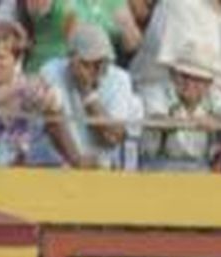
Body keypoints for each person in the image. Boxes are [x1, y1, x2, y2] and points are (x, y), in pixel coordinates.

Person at [0, 18, 80, 166]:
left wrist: (48, 98)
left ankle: (76, 160)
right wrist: (19, 88)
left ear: (17, 59)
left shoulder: (26, 83)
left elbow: (49, 100)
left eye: (1, 57)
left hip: (16, 164)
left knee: (54, 111)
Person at [33, 20, 141, 168]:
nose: (97, 69)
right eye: (89, 62)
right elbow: (53, 123)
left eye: (101, 62)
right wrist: (77, 160)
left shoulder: (120, 79)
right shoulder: (51, 71)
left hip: (101, 168)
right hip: (57, 164)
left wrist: (87, 93)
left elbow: (112, 136)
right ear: (72, 59)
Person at [140, 38, 221, 171]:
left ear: (209, 82)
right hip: (156, 171)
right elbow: (157, 118)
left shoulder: (213, 96)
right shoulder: (155, 92)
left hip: (201, 171)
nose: (190, 84)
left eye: (198, 78)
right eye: (185, 76)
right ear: (173, 74)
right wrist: (193, 122)